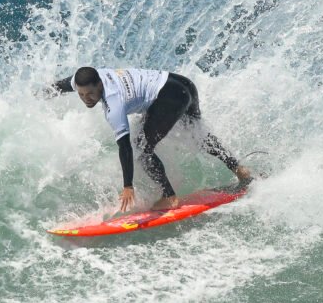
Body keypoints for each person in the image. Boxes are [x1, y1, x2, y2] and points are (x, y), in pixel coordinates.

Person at [48, 67, 252, 212]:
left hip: (172, 96)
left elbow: (125, 148)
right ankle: (239, 170)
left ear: (100, 85)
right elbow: (66, 84)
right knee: (195, 132)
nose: (87, 99)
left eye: (91, 94)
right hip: (183, 84)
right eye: (82, 94)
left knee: (141, 148)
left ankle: (169, 197)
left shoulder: (113, 104)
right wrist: (44, 92)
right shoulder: (85, 78)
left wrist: (127, 186)